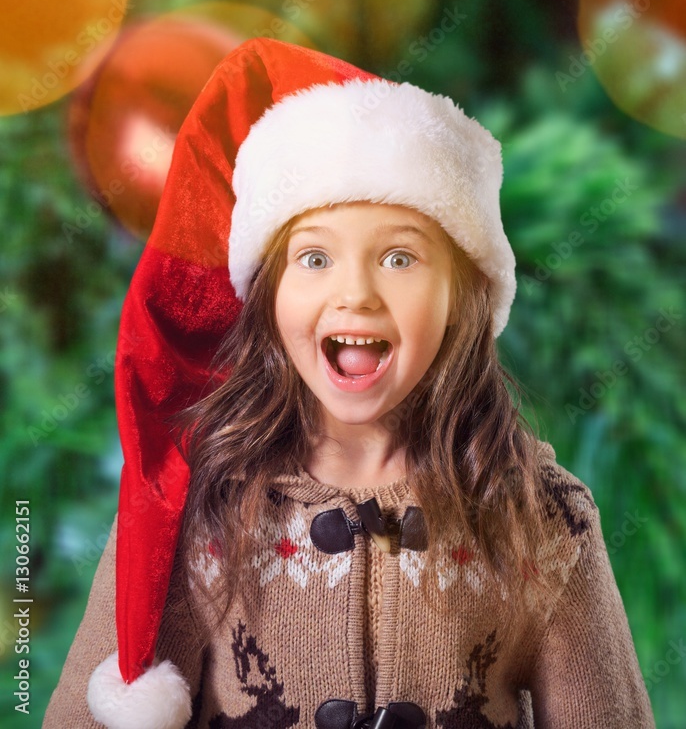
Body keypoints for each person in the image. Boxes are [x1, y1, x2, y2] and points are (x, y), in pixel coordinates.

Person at [43, 37, 655, 729]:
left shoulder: (543, 518)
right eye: (314, 258)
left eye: (399, 256)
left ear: (464, 294)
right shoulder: (193, 509)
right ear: (268, 294)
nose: (355, 293)